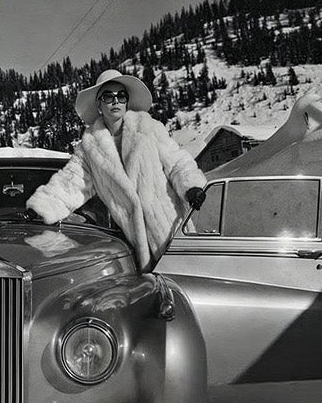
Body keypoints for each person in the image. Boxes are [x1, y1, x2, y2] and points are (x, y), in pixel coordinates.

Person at [25, 68, 209, 269]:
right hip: (133, 242)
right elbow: (71, 183)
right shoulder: (89, 147)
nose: (115, 101)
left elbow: (177, 162)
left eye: (121, 96)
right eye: (108, 96)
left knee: (190, 284)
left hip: (171, 229)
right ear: (99, 104)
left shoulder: (149, 128)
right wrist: (41, 208)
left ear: (127, 102)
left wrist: (191, 187)